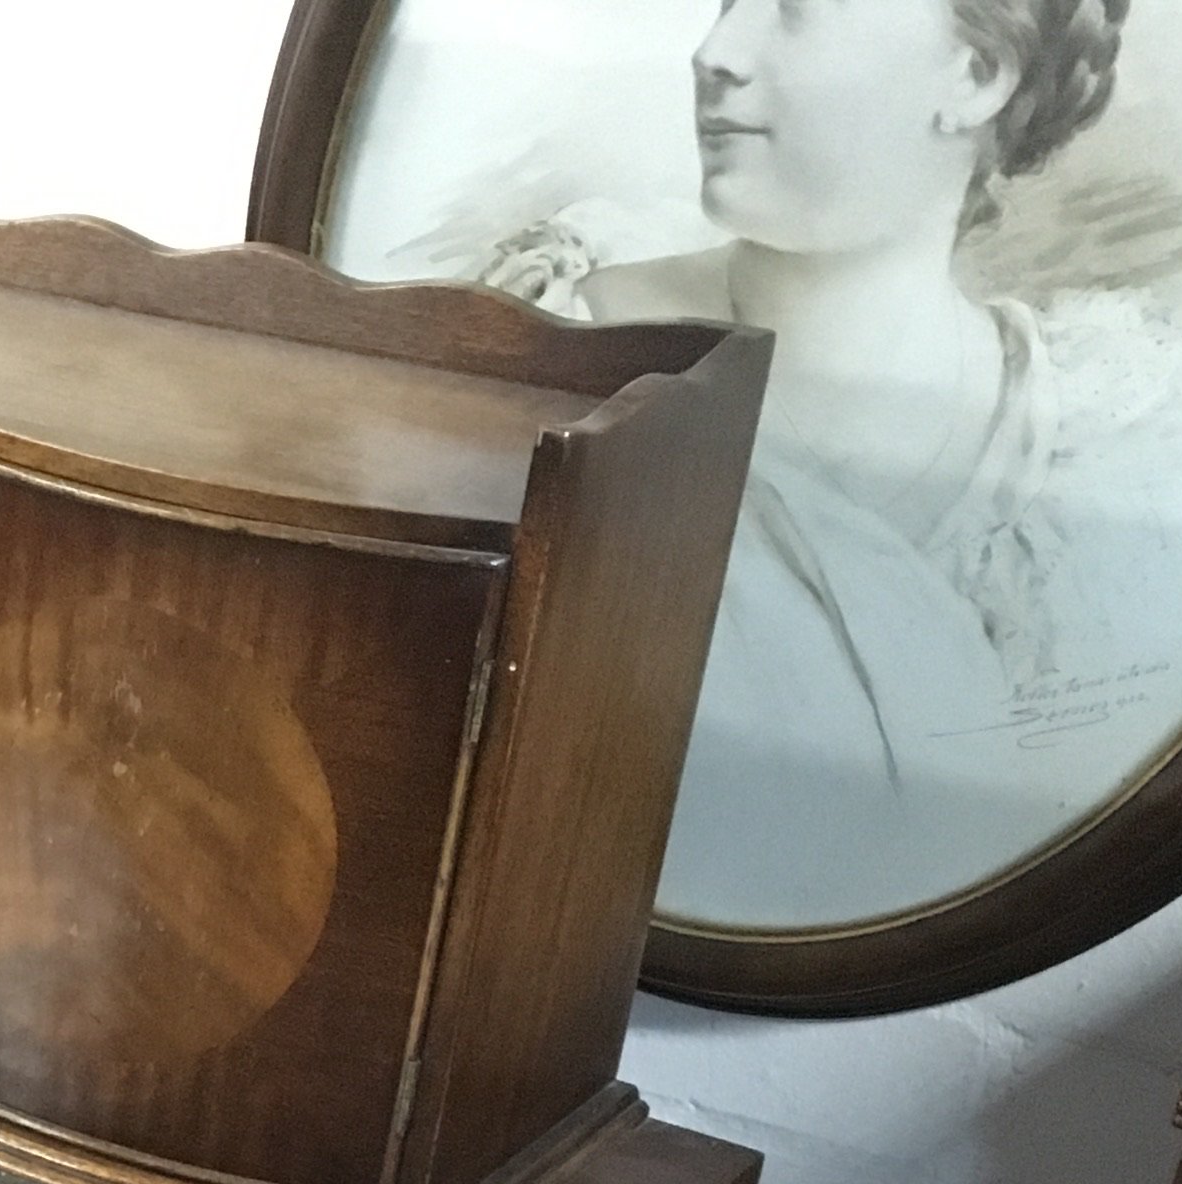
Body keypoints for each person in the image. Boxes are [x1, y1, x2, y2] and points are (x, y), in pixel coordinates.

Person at [485, 0, 1137, 923]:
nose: (715, 53)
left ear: (979, 77)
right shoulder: (560, 341)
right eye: (723, 4)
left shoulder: (1079, 440)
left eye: (796, 9)